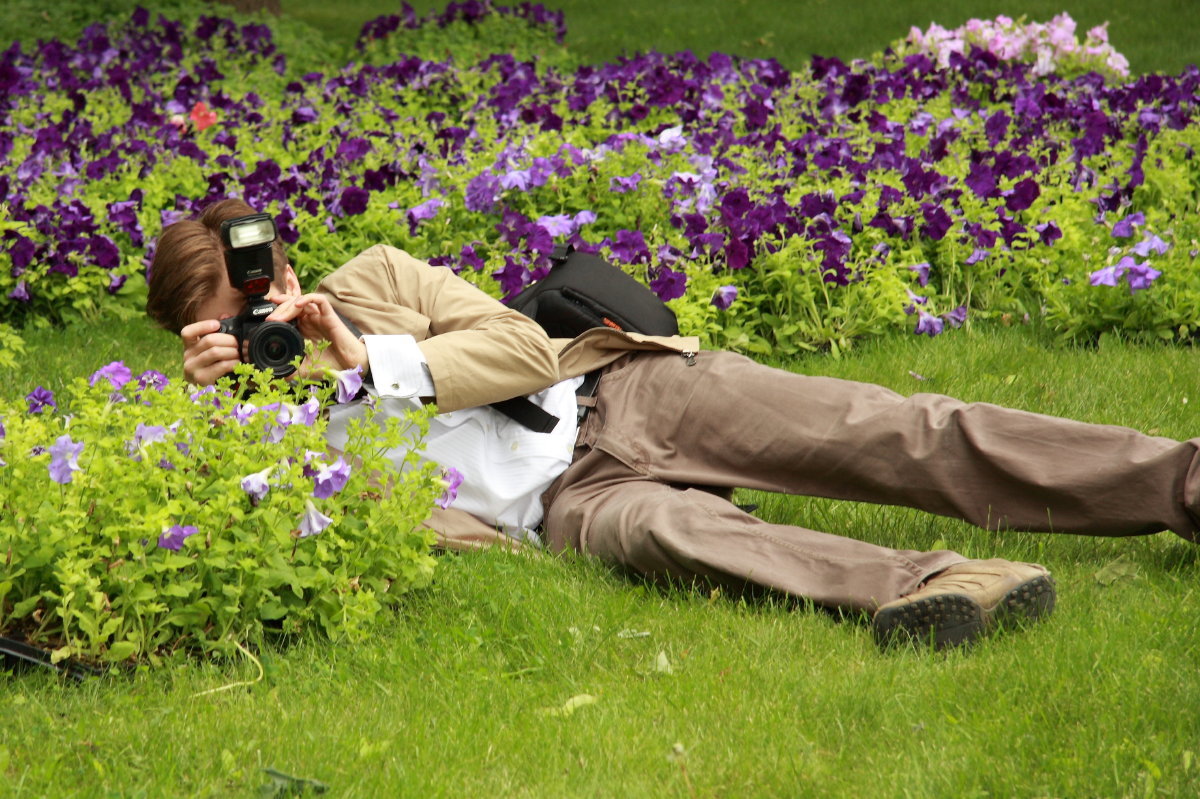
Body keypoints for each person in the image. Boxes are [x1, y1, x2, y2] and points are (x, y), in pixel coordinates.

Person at [146, 199, 1199, 650]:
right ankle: (950, 584)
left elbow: (517, 349)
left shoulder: (374, 281)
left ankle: (1178, 485)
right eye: (231, 331)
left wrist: (365, 358)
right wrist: (227, 421)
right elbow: (290, 544)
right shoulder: (253, 449)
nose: (265, 329)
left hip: (622, 395)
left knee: (886, 428)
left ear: (282, 271)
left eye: (263, 299)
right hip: (574, 503)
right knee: (680, 537)